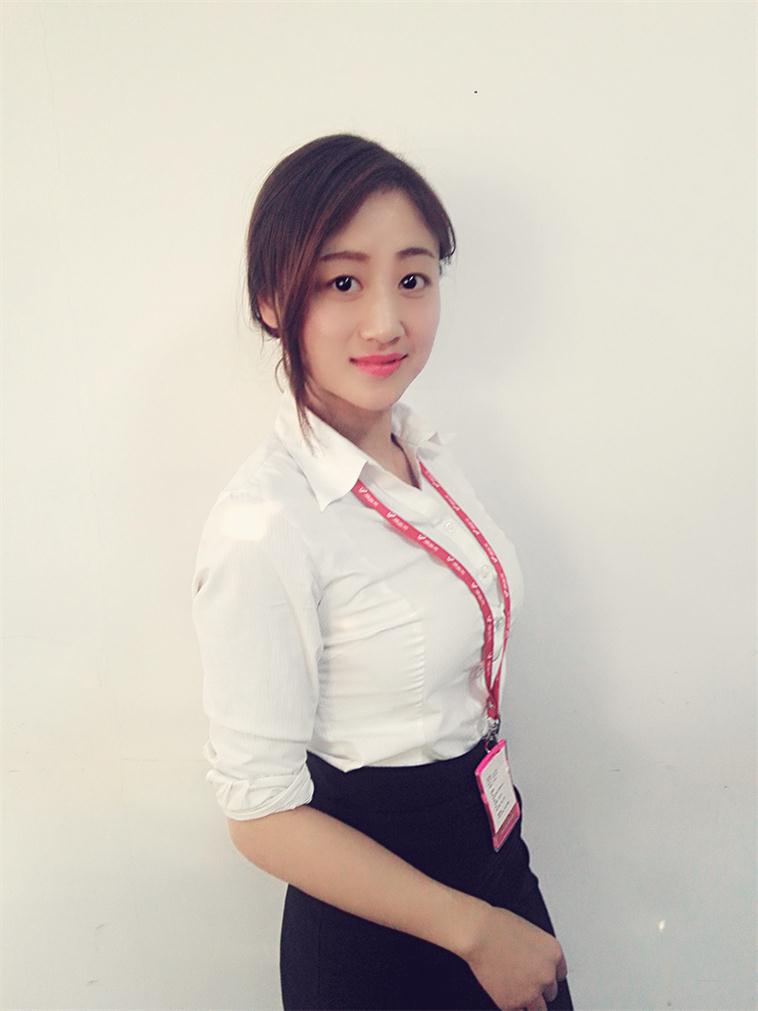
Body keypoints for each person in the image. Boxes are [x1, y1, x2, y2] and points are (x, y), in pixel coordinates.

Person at [191, 133, 574, 1011]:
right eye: (342, 282)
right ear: (270, 298)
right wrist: (476, 932)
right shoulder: (265, 524)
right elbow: (260, 816)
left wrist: (493, 906)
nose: (385, 321)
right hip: (381, 922)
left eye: (413, 278)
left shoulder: (420, 447)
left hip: (487, 848)